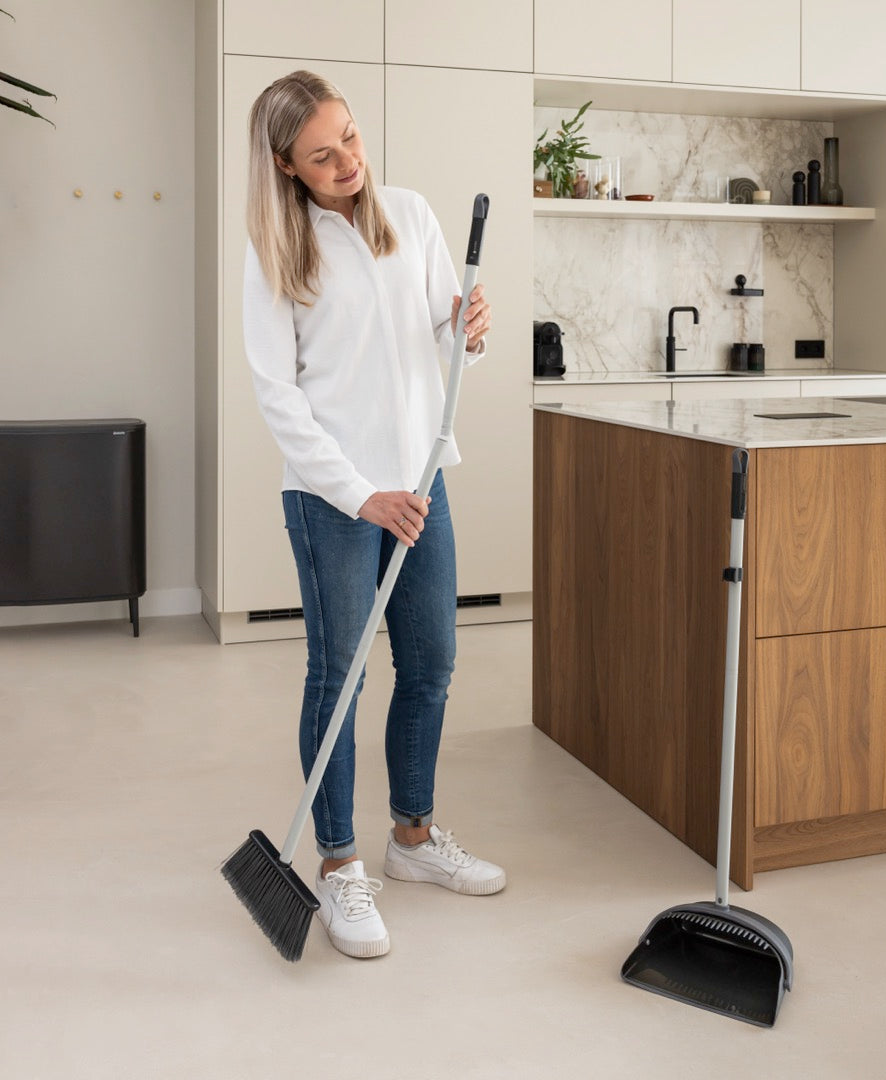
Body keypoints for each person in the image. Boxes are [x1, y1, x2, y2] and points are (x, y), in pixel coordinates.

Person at [242, 70, 505, 960]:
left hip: (422, 477)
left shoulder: (413, 215)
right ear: (287, 165)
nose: (348, 160)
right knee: (341, 675)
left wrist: (469, 325)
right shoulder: (277, 249)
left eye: (350, 137)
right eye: (323, 153)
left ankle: (414, 840)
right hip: (334, 498)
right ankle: (341, 865)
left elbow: (435, 335)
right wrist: (361, 494)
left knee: (431, 662)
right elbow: (279, 396)